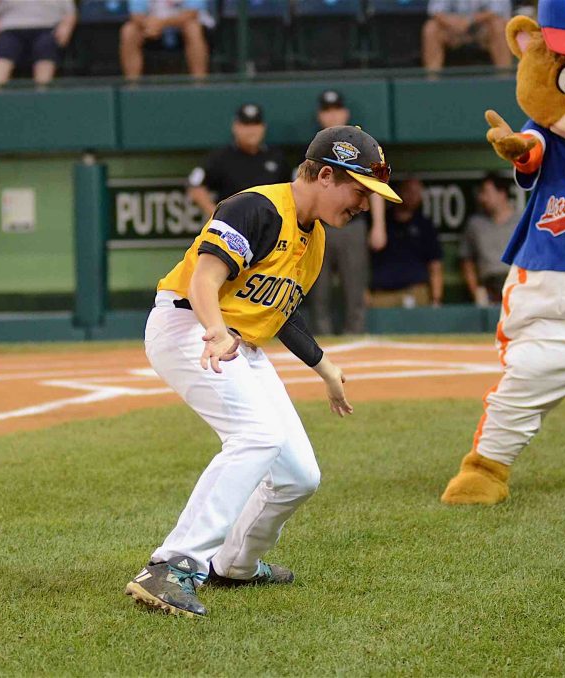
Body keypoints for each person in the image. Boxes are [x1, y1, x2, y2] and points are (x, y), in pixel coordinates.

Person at [124, 126, 402, 618]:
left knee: (299, 476)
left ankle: (234, 564)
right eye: (360, 190)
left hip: (237, 338)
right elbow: (205, 276)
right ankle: (171, 566)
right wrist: (214, 330)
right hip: (190, 323)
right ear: (324, 174)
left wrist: (324, 366)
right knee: (256, 435)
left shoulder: (312, 237)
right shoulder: (256, 207)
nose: (364, 203)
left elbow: (280, 309)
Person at [308, 89, 387, 335]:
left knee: (355, 288)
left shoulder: (364, 143)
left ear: (345, 112)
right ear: (320, 115)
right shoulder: (315, 145)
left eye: (336, 110)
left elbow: (377, 184)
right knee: (317, 290)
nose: (332, 116)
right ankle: (321, 340)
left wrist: (379, 225)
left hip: (353, 225)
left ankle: (357, 337)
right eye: (326, 111)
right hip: (319, 227)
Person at [187, 103, 290, 216]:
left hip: (269, 225)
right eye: (246, 125)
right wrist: (217, 217)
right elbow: (195, 185)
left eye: (255, 124)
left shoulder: (276, 157)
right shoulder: (221, 157)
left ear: (263, 127)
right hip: (233, 227)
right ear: (235, 126)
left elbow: (291, 191)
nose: (251, 130)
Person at [368, 177, 444, 308]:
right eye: (409, 191)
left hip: (415, 293)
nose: (413, 196)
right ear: (398, 192)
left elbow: (435, 266)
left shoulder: (425, 225)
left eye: (417, 192)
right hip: (382, 295)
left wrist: (436, 300)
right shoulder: (379, 223)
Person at [0, 0, 76, 86]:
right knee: (3, 55)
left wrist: (66, 26)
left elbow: (70, 13)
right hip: (11, 28)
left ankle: (42, 93)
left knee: (45, 50)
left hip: (47, 27)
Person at [459, 174, 519, 305]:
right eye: (481, 193)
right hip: (488, 287)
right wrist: (476, 292)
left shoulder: (522, 220)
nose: (482, 198)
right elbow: (466, 261)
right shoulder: (475, 224)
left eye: (486, 192)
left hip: (518, 285)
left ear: (501, 194)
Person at [120, 0, 212, 80]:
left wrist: (162, 23)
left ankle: (199, 82)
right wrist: (149, 25)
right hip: (151, 29)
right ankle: (132, 85)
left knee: (193, 28)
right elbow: (136, 15)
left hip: (183, 26)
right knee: (129, 31)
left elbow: (192, 14)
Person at [422, 0, 511, 71]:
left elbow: (497, 10)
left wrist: (470, 20)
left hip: (482, 28)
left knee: (498, 25)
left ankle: (504, 76)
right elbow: (435, 11)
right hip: (452, 29)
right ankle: (432, 80)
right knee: (431, 28)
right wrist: (452, 22)